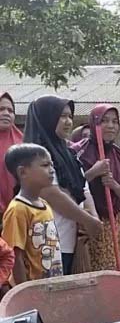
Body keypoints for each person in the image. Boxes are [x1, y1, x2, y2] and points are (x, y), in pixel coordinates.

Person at [23, 95, 102, 275]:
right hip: (46, 242)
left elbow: (84, 189)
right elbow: (51, 193)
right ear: (48, 118)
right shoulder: (35, 155)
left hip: (71, 241)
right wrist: (87, 219)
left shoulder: (68, 154)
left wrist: (93, 218)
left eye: (70, 117)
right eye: (62, 116)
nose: (68, 121)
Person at [72, 104, 120, 272]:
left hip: (112, 226)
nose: (110, 125)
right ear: (94, 123)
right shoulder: (78, 151)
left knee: (110, 277)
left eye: (115, 122)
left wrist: (114, 185)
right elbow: (68, 187)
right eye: (104, 121)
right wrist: (93, 172)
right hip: (83, 224)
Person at [2, 144, 64, 285]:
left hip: (50, 285)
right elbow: (15, 256)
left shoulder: (44, 204)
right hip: (32, 290)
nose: (52, 170)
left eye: (52, 165)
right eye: (45, 165)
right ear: (23, 172)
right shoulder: (18, 209)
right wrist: (24, 292)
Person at [0, 92, 23, 213]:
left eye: (10, 110)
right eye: (1, 109)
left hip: (16, 212)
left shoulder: (24, 143)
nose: (6, 113)